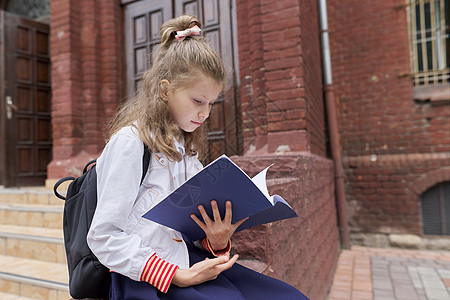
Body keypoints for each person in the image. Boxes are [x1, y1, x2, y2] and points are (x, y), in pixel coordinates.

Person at [87, 15, 309, 300]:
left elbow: (187, 229)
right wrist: (175, 275)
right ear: (165, 90)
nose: (205, 113)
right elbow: (103, 237)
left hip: (188, 261)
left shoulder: (186, 152)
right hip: (145, 276)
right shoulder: (130, 143)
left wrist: (217, 240)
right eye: (197, 101)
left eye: (212, 103)